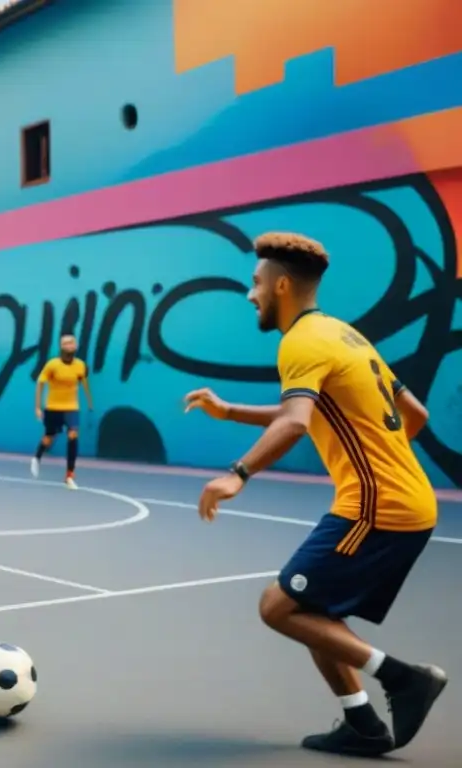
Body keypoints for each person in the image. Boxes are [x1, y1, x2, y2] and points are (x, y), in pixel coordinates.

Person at [184, 232, 446, 757]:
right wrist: (231, 410)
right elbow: (415, 417)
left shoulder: (299, 341)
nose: (250, 294)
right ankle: (362, 724)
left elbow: (298, 422)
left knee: (278, 605)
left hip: (379, 506)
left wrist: (239, 472)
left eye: (256, 283)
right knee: (314, 608)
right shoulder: (344, 336)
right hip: (397, 499)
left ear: (282, 284)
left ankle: (403, 679)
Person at [30, 333, 93, 488]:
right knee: (49, 438)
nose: (68, 345)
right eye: (65, 343)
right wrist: (37, 407)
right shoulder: (52, 365)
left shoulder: (81, 366)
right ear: (60, 347)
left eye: (71, 343)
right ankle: (37, 458)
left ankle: (69, 475)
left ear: (76, 346)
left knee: (73, 435)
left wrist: (90, 402)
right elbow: (40, 384)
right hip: (53, 408)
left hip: (72, 408)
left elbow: (84, 384)